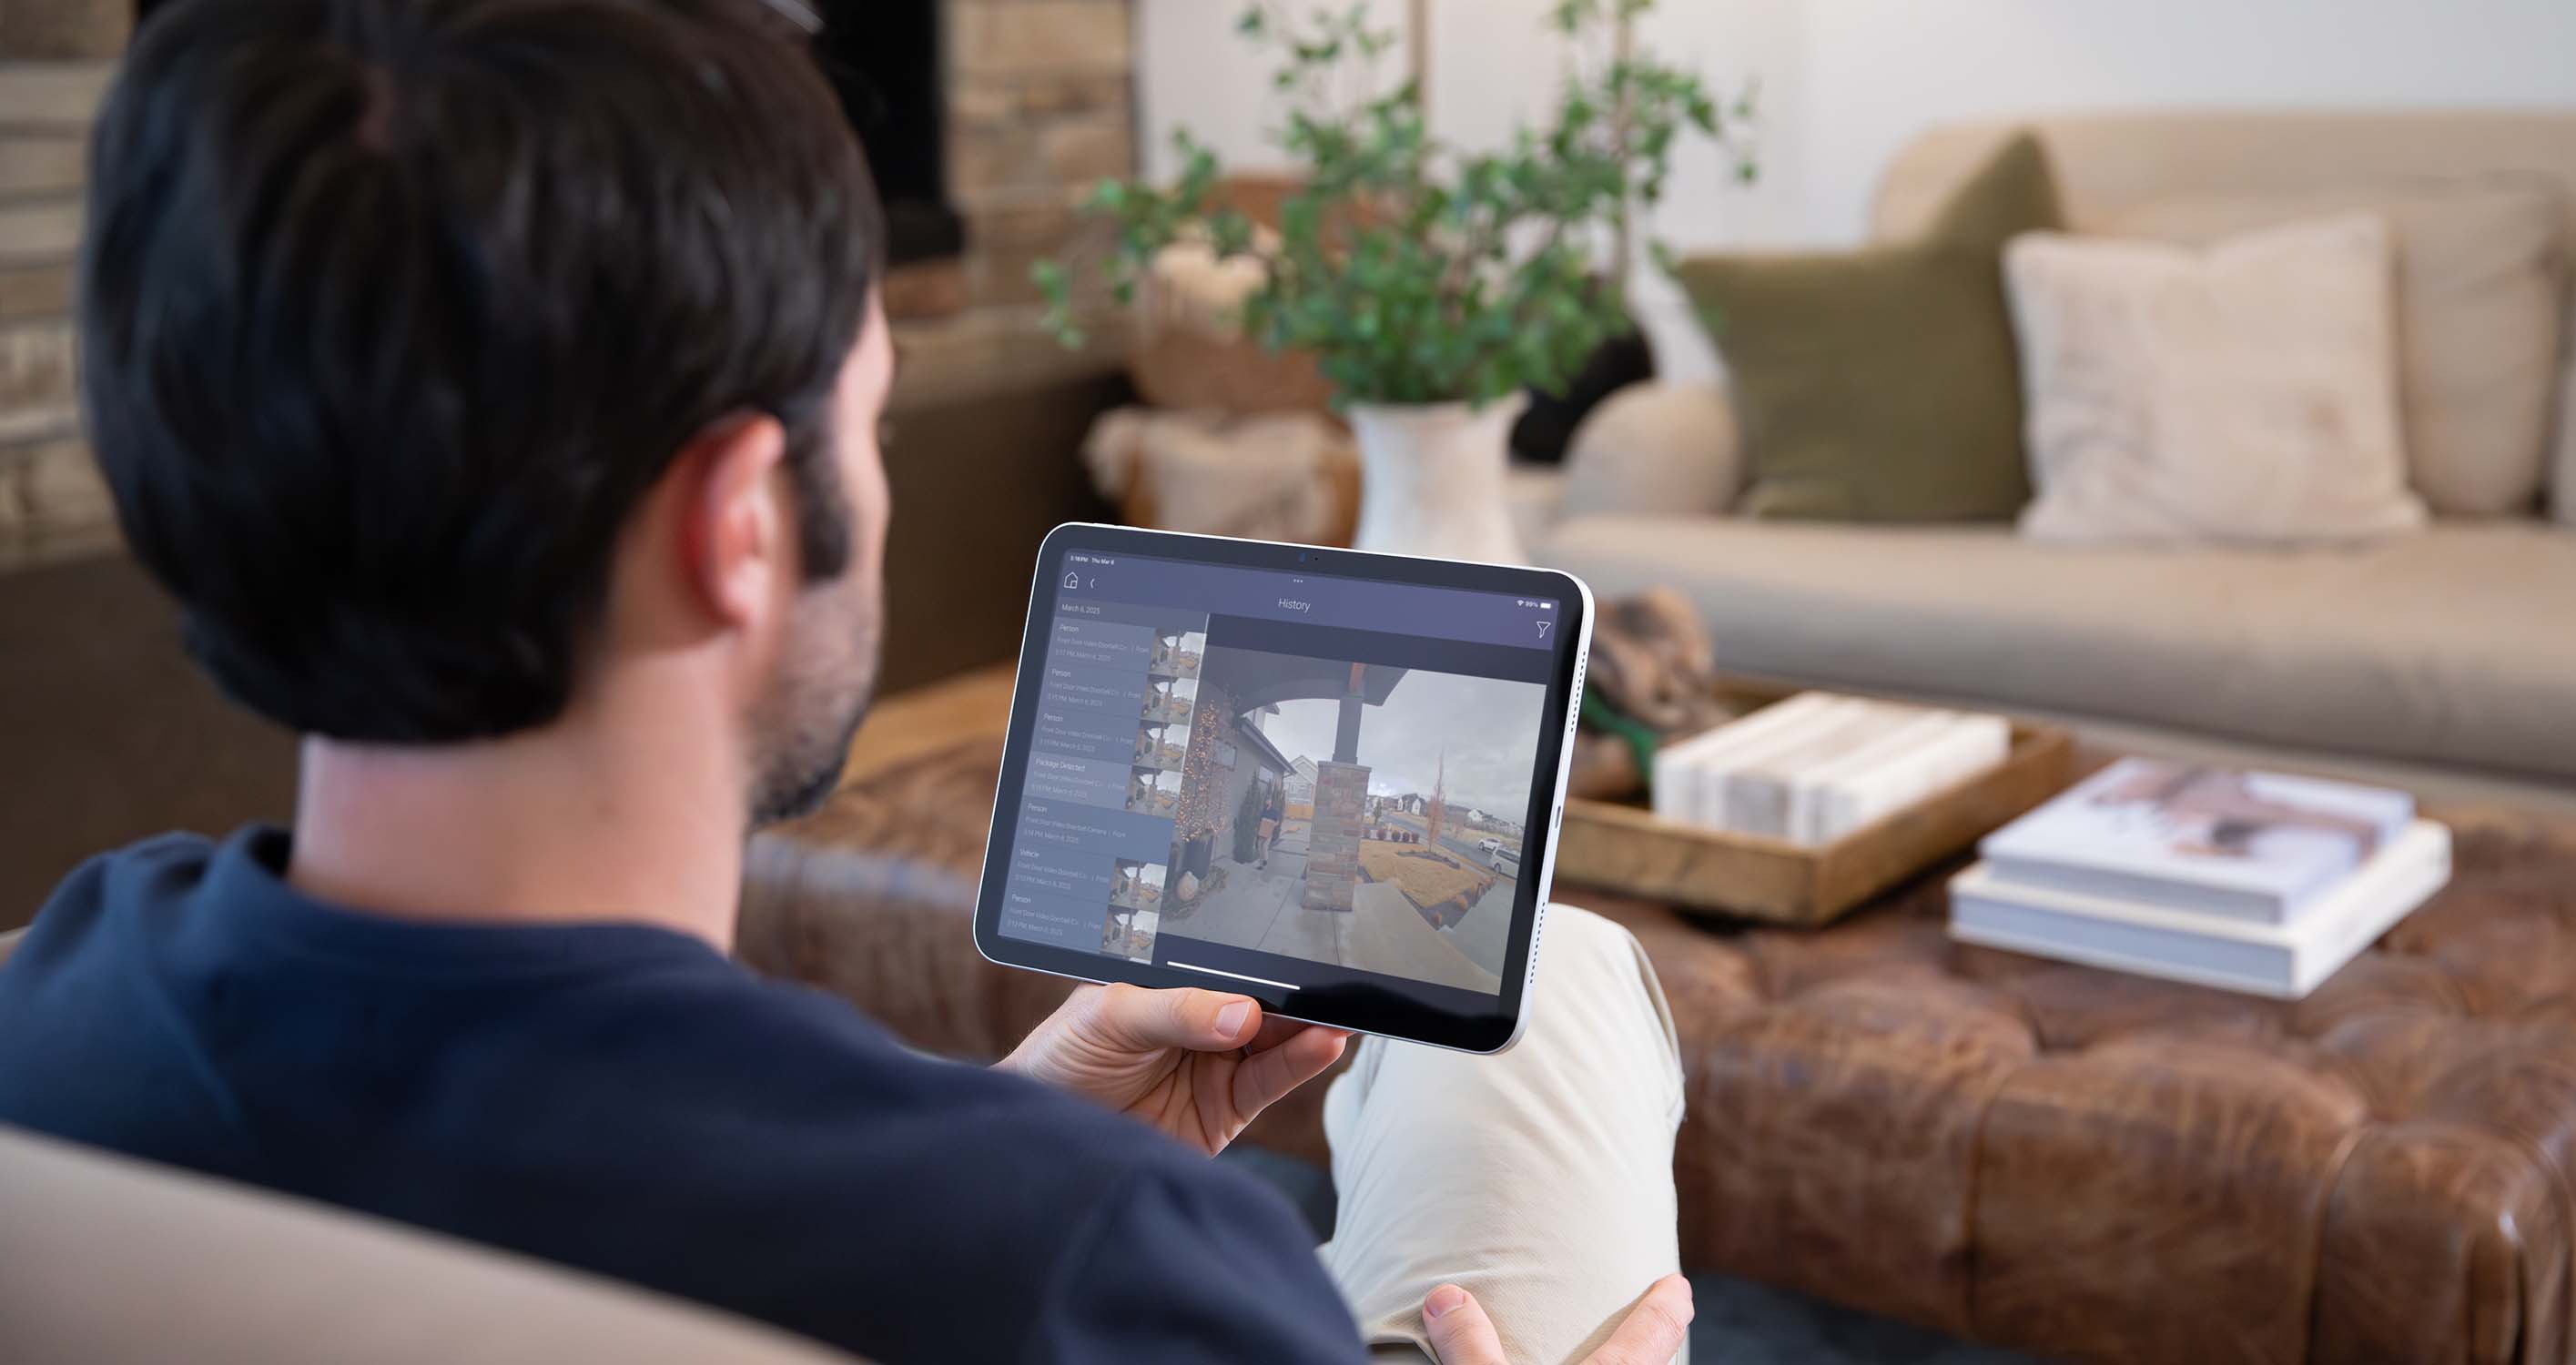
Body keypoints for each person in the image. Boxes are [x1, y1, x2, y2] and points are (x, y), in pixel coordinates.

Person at [0, 2, 1692, 1363]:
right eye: (871, 422)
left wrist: (995, 1142)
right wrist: (1016, 1197)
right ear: (739, 523)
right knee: (1560, 977)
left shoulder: (48, 1005)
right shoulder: (1104, 1276)